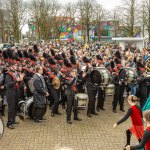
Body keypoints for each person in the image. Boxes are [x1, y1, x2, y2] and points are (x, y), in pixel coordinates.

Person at [5, 62, 24, 129]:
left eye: (16, 65)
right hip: (10, 92)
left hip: (16, 91)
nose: (16, 66)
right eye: (15, 65)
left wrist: (20, 79)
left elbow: (17, 82)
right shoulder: (8, 74)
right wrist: (17, 80)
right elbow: (9, 84)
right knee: (11, 108)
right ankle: (9, 123)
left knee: (15, 106)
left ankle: (13, 120)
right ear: (11, 66)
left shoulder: (15, 72)